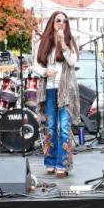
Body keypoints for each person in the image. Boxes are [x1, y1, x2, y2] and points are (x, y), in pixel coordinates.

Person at [33, 11, 80, 178]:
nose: (61, 23)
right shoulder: (42, 42)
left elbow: (73, 61)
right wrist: (45, 71)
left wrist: (63, 43)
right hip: (49, 89)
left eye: (65, 21)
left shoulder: (70, 42)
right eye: (58, 20)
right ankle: (50, 161)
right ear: (52, 22)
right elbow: (35, 65)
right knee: (51, 127)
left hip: (65, 91)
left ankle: (63, 164)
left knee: (64, 128)